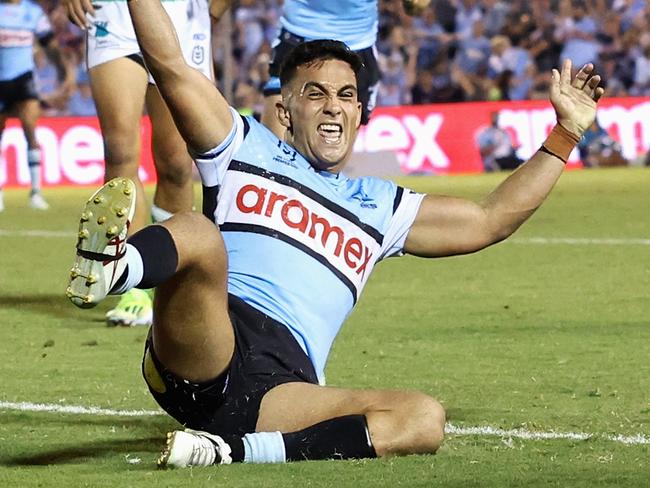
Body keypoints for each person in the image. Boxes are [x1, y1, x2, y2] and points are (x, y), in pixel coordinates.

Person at [66, 0, 604, 468]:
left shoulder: (382, 207)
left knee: (422, 419)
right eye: (316, 93)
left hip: (283, 392)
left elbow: (491, 219)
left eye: (347, 96)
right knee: (198, 232)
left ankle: (228, 451)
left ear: (361, 111)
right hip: (208, 342)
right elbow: (171, 64)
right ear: (285, 108)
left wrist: (567, 132)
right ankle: (113, 269)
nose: (333, 107)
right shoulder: (242, 145)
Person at [61, 0, 213, 327]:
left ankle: (169, 278)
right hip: (114, 13)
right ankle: (130, 284)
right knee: (119, 150)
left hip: (182, 17)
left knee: (176, 164)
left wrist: (214, 11)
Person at [214, 0, 431, 138]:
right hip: (297, 39)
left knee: (332, 156)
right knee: (272, 149)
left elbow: (414, 6)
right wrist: (209, 19)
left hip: (355, 48)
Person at [0, 0, 74, 212]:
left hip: (24, 79)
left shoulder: (32, 13)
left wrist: (62, 71)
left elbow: (48, 43)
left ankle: (36, 192)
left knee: (31, 133)